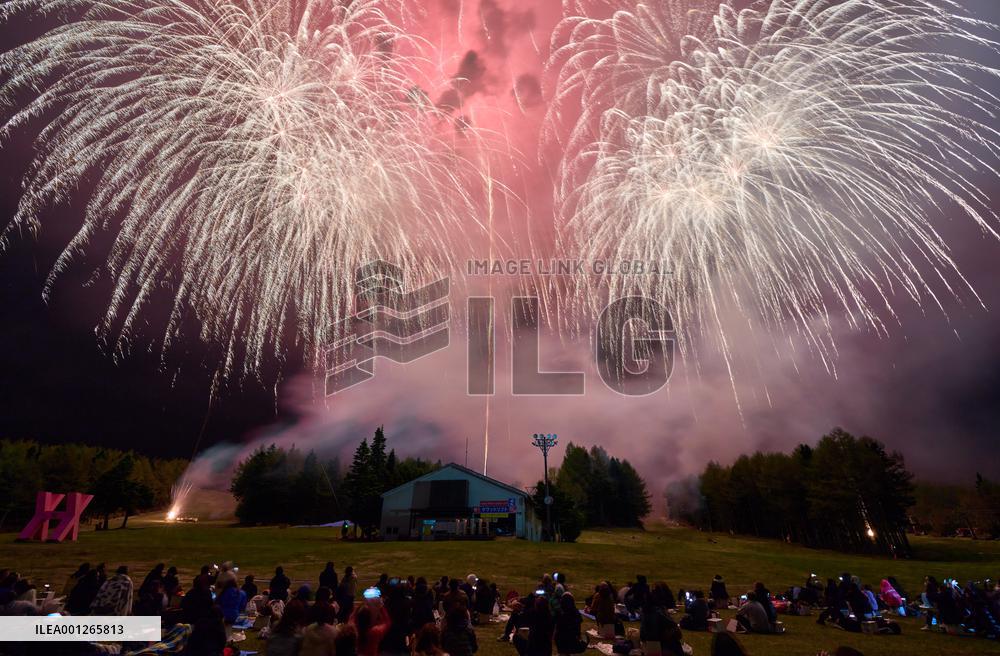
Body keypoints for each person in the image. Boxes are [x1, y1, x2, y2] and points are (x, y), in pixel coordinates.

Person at [639, 583, 684, 656]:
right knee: (675, 635)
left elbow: (642, 634)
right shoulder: (658, 612)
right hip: (660, 646)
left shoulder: (645, 612)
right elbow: (675, 628)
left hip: (647, 645)